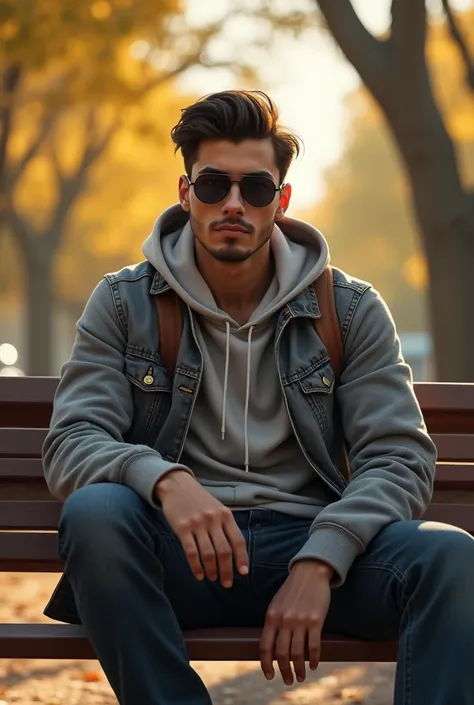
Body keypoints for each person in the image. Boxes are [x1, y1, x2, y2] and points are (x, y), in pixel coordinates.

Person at [42, 90, 473, 705]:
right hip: (181, 551)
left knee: (449, 557)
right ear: (185, 192)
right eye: (214, 185)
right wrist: (167, 482)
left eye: (257, 189)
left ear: (283, 199)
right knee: (96, 515)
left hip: (316, 547)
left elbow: (399, 458)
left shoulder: (348, 310)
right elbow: (71, 442)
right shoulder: (122, 304)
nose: (234, 205)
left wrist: (321, 560)